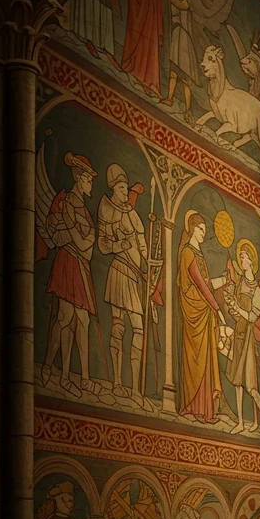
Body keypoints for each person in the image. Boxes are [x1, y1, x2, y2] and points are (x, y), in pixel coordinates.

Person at [41, 153, 99, 399]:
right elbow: (56, 237)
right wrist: (76, 236)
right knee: (65, 317)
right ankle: (54, 369)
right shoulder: (64, 202)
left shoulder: (83, 211)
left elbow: (88, 247)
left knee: (83, 320)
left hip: (81, 267)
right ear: (79, 178)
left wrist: (74, 234)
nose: (91, 184)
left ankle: (83, 378)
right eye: (89, 180)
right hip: (67, 263)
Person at [97, 163, 150, 405]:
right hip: (119, 271)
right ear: (113, 188)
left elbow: (142, 242)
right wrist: (120, 245)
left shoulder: (132, 213)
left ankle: (136, 389)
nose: (124, 192)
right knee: (118, 327)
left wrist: (148, 259)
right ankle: (117, 382)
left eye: (125, 187)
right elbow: (103, 245)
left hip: (134, 275)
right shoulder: (107, 210)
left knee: (138, 328)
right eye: (120, 188)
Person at [176, 210, 228, 423]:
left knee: (206, 360)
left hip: (204, 312)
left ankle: (206, 411)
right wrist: (217, 309)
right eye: (200, 228)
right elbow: (199, 284)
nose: (203, 233)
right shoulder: (188, 253)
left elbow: (207, 284)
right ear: (191, 229)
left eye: (205, 229)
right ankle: (191, 407)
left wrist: (224, 279)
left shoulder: (198, 255)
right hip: (194, 312)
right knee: (194, 360)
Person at [225, 238, 260, 438]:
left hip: (247, 337)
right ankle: (239, 422)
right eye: (241, 257)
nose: (241, 260)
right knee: (237, 382)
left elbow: (253, 316)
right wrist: (231, 305)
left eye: (244, 257)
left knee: (251, 387)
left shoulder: (256, 290)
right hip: (238, 332)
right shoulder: (240, 283)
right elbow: (237, 312)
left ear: (251, 261)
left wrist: (238, 309)